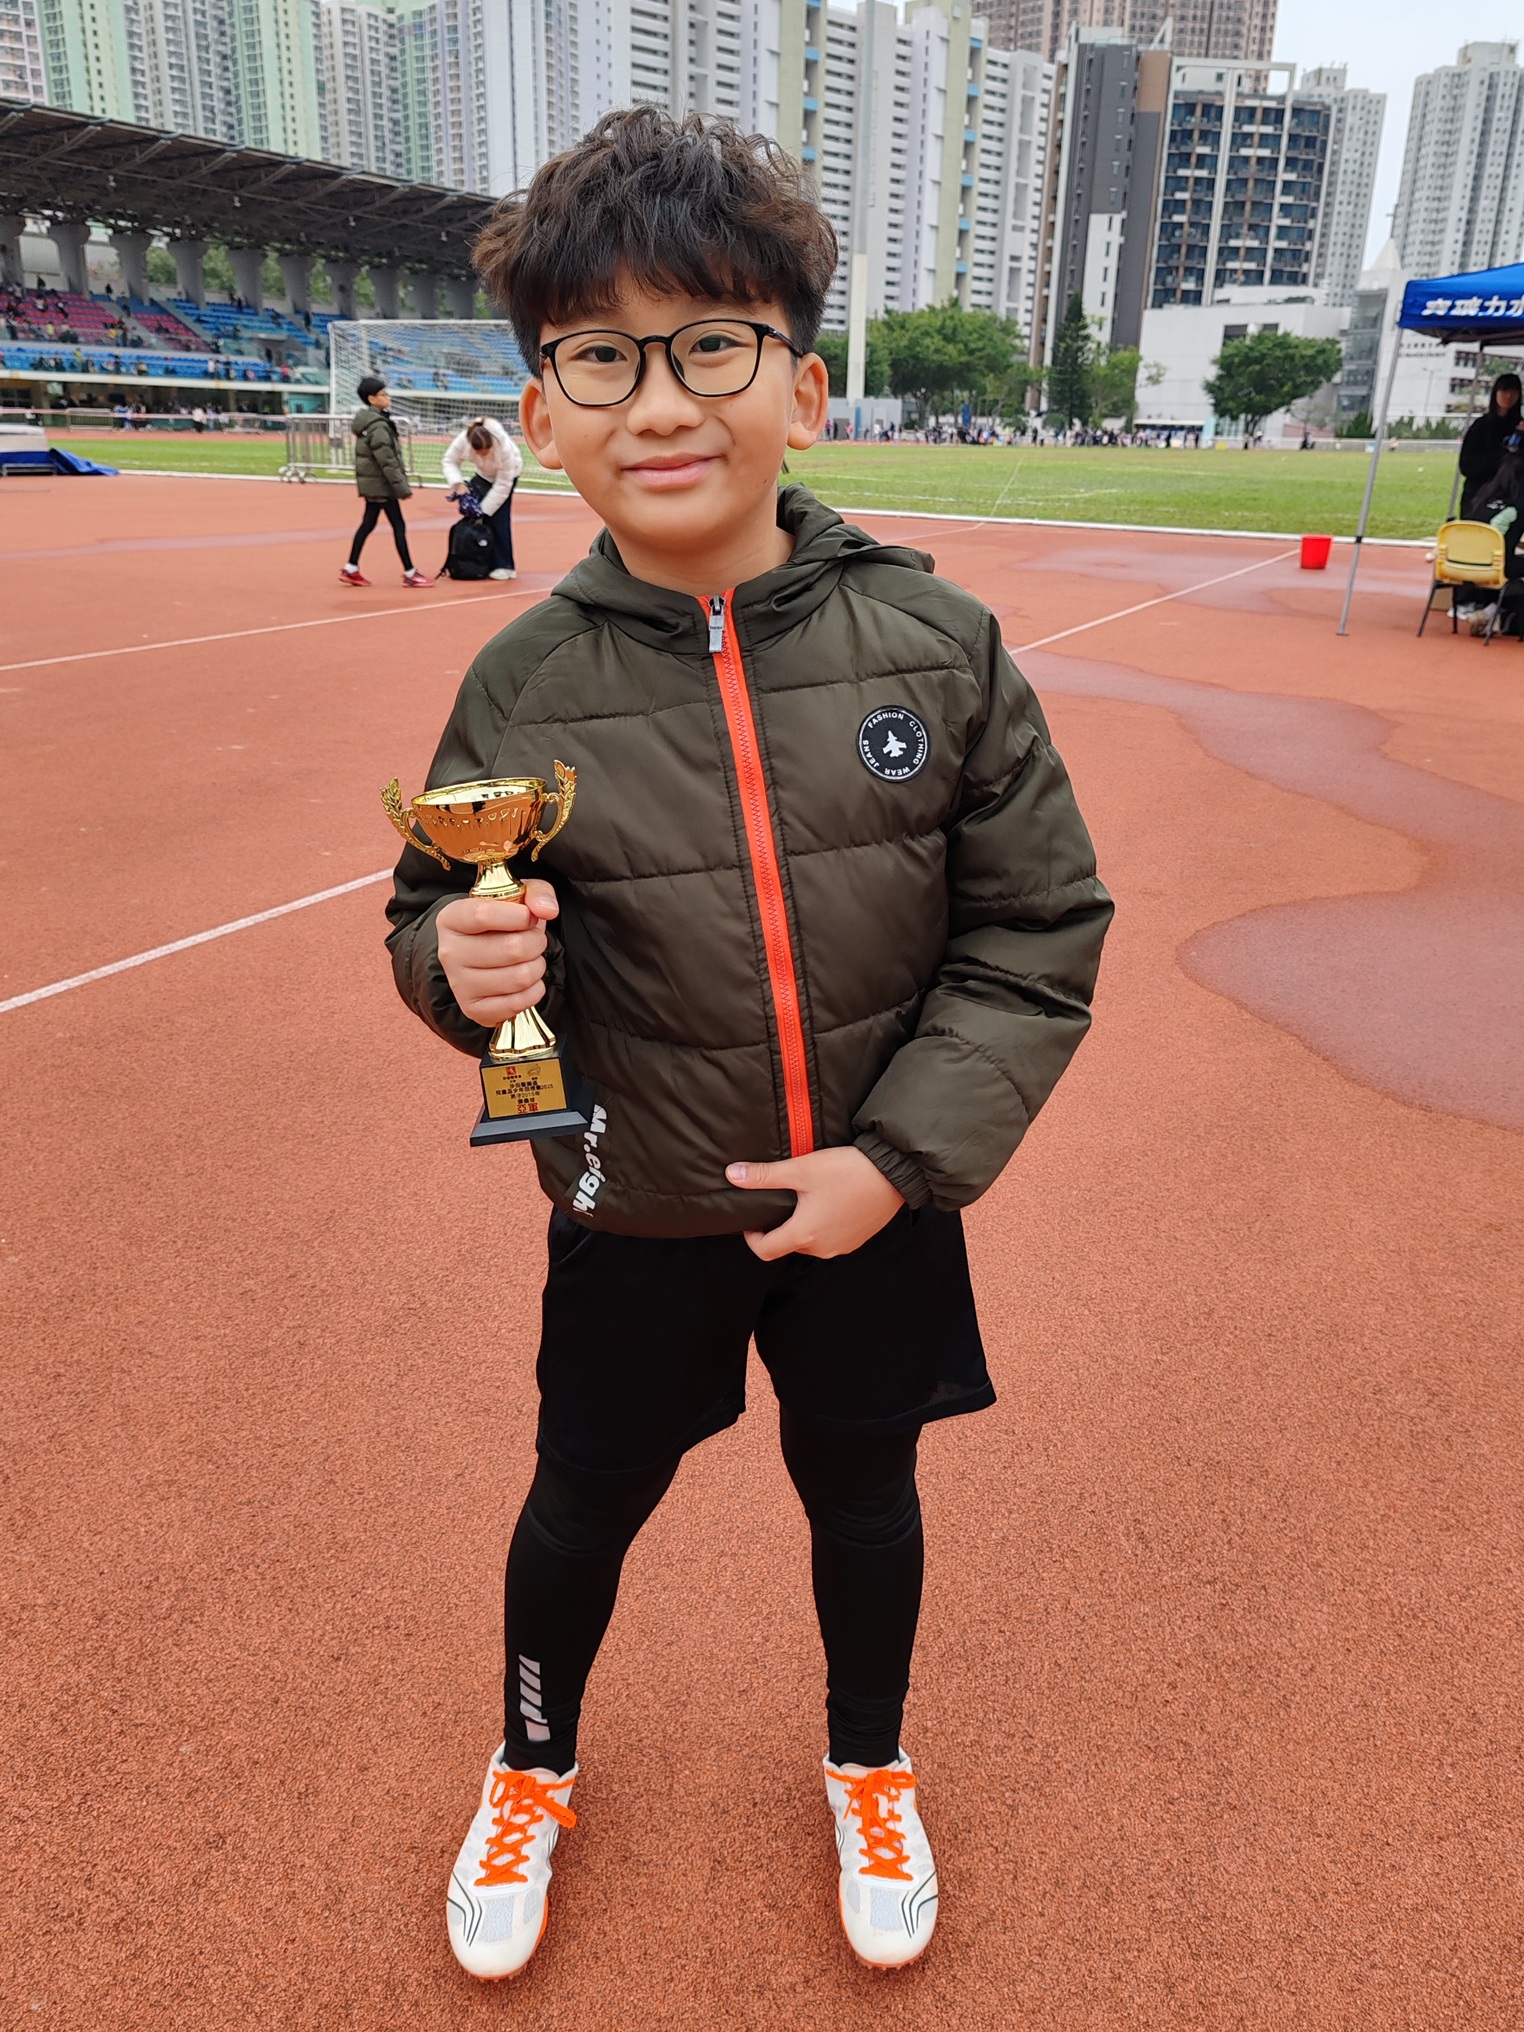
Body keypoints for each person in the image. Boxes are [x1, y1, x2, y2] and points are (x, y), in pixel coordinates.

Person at [386, 107, 1111, 1984]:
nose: (657, 403)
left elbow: (1037, 929)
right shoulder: (520, 682)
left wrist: (899, 1160)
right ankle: (531, 1761)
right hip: (636, 1200)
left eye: (709, 345)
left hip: (873, 1197)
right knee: (581, 1500)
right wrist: (458, 961)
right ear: (539, 413)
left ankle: (867, 1758)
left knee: (864, 1494)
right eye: (599, 358)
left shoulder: (935, 644)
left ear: (799, 385)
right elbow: (431, 912)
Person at [341, 374, 431, 589]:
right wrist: (401, 487)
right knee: (398, 525)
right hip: (382, 485)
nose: (388, 397)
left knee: (368, 524)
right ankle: (410, 572)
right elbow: (387, 460)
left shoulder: (370, 422)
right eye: (383, 394)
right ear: (372, 399)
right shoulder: (378, 426)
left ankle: (351, 567)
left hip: (374, 484)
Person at [1452, 448, 1524, 634]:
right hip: (1495, 564)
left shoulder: (1482, 495)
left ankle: (1492, 612)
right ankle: (1498, 614)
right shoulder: (1518, 502)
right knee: (1510, 566)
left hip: (1465, 561)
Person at [442, 413, 523, 578]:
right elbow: (449, 461)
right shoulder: (463, 439)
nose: (482, 455)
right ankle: (480, 562)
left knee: (499, 518)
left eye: (486, 452)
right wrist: (458, 484)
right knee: (472, 518)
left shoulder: (505, 449)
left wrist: (483, 511)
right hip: (483, 475)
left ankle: (506, 566)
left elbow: (503, 485)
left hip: (507, 476)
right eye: (478, 453)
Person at [1458, 371, 1522, 516]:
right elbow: (1466, 465)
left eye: (1513, 392)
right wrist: (1502, 456)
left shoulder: (1520, 427)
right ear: (1496, 393)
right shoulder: (1481, 426)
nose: (1508, 396)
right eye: (1504, 391)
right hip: (1478, 494)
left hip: (1511, 497)